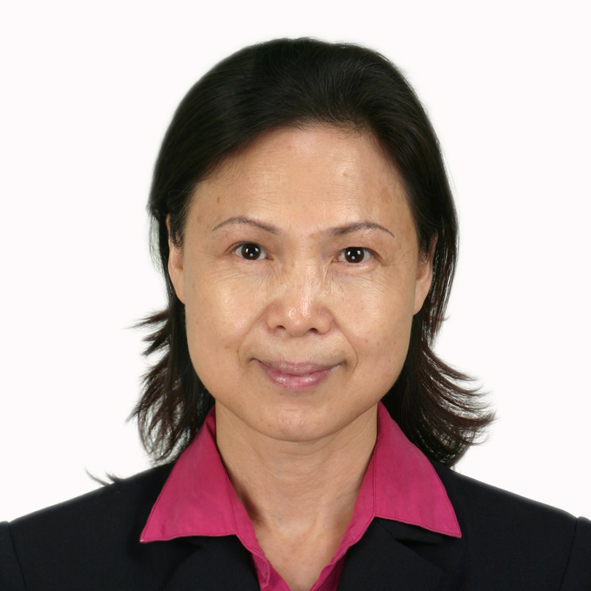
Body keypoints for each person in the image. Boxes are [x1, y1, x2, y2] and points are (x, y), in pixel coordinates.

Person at [1, 37, 589, 591]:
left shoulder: (561, 569)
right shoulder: (31, 570)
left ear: (422, 269)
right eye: (250, 250)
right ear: (177, 256)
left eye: (354, 254)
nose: (299, 313)